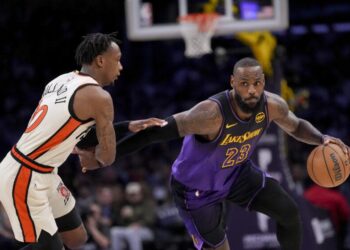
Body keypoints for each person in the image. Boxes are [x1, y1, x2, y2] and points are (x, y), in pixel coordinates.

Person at [77, 57, 350, 250]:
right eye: (244, 83)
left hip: (236, 173)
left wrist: (321, 138)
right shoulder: (210, 114)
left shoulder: (273, 105)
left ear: (263, 82)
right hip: (195, 189)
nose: (251, 89)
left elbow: (297, 125)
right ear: (232, 82)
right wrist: (107, 155)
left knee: (289, 212)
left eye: (257, 82)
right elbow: (155, 133)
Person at [0, 32, 165, 250]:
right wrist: (93, 159)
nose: (121, 67)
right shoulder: (100, 98)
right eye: (117, 60)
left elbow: (76, 135)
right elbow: (107, 157)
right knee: (51, 247)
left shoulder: (60, 80)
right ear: (100, 60)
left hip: (44, 171)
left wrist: (127, 127)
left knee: (76, 238)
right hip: (25, 175)